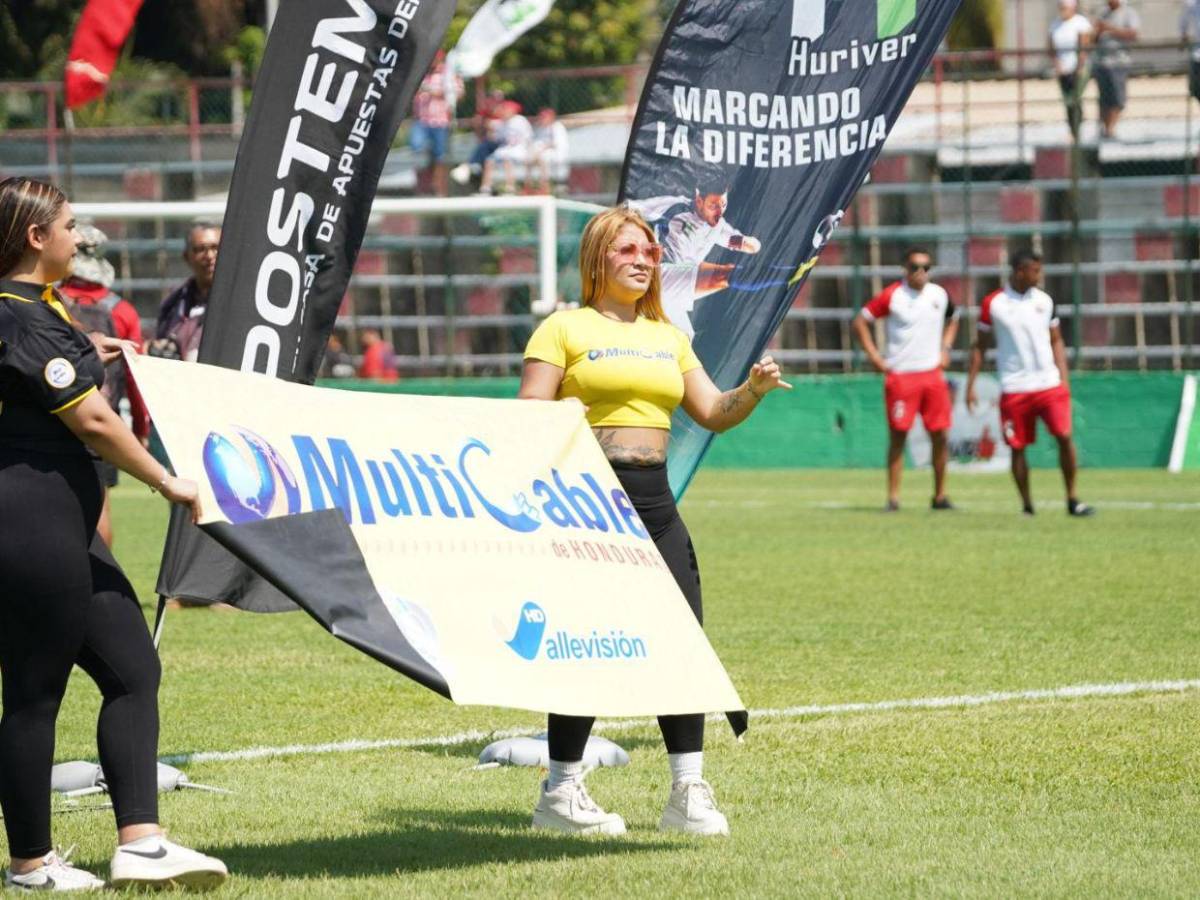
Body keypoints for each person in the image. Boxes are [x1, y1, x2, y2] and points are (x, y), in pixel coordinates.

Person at [519, 205, 791, 837]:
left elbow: (714, 411)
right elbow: (528, 412)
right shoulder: (562, 329)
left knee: (681, 640)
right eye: (627, 250)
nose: (642, 260)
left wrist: (752, 390)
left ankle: (687, 793)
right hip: (588, 507)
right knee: (585, 644)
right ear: (598, 259)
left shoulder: (668, 337)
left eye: (649, 252)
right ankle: (560, 793)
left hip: (657, 505)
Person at [0, 176, 229, 890]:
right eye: (69, 226)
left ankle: (142, 844)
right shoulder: (15, 313)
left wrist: (89, 348)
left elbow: (47, 371)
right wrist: (168, 480)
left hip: (63, 522)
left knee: (132, 668)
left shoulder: (41, 305)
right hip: (28, 518)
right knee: (34, 692)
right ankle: (31, 864)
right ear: (36, 236)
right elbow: (94, 420)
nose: (78, 238)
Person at [966, 249, 1094, 517]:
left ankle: (1073, 499)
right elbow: (980, 346)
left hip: (1049, 384)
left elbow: (1056, 340)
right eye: (1035, 271)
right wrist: (971, 384)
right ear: (1019, 271)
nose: (1039, 275)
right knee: (1017, 447)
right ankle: (1026, 505)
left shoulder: (1045, 301)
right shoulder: (994, 303)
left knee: (1064, 437)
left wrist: (1063, 379)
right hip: (1014, 387)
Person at [57, 222, 150, 547]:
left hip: (58, 418)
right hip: (104, 421)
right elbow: (136, 379)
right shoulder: (122, 311)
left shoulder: (50, 303)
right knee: (100, 507)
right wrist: (140, 428)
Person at [852, 247, 959, 512]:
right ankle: (893, 498)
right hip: (901, 376)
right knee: (898, 436)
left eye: (926, 268)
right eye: (914, 267)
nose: (920, 272)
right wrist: (875, 358)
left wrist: (945, 348)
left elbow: (954, 318)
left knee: (940, 435)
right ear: (905, 269)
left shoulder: (939, 294)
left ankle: (940, 496)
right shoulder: (893, 295)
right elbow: (861, 321)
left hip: (932, 374)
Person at [629, 178, 762, 339]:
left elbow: (748, 244)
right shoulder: (676, 206)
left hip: (675, 288)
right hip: (661, 274)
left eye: (723, 205)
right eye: (713, 206)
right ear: (699, 201)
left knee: (684, 336)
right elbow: (629, 208)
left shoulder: (718, 227)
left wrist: (750, 243)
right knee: (723, 276)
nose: (719, 212)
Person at [152, 221, 219, 362]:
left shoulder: (240, 301)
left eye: (216, 248)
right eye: (200, 249)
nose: (209, 256)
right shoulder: (173, 303)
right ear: (186, 257)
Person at [410, 51, 463, 197]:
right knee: (417, 149)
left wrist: (436, 92)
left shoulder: (448, 75)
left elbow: (458, 94)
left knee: (441, 156)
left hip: (441, 121)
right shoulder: (421, 73)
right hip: (421, 120)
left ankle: (439, 188)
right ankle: (421, 188)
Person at [1092, 0, 1140, 139]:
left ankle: (1111, 129)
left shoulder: (1128, 13)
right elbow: (1094, 39)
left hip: (1119, 62)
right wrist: (1096, 32)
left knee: (1117, 98)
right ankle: (1104, 129)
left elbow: (1133, 34)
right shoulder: (1103, 13)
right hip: (1102, 62)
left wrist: (1110, 29)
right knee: (1104, 98)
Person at [1048, 0, 1093, 140]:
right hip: (1063, 68)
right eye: (1061, 7)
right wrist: (1057, 65)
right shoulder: (1055, 24)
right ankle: (1073, 131)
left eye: (1065, 8)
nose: (1062, 10)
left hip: (1078, 67)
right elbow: (1051, 48)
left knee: (1075, 98)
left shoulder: (1080, 22)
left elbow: (1084, 48)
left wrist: (1079, 67)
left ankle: (1077, 129)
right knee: (1067, 101)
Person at [478, 101, 532, 196]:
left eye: (506, 109)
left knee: (507, 159)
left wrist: (525, 147)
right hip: (505, 149)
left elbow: (528, 136)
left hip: (519, 149)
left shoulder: (520, 120)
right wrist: (491, 132)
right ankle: (486, 188)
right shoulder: (501, 123)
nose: (504, 111)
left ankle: (510, 188)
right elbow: (497, 138)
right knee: (489, 160)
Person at [527, 107, 569, 195]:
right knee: (529, 157)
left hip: (556, 152)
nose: (542, 119)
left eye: (545, 117)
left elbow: (556, 143)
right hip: (542, 152)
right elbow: (535, 142)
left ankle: (544, 186)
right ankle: (528, 185)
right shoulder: (540, 128)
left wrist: (541, 149)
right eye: (541, 117)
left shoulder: (557, 127)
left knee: (543, 157)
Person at [1181, 0, 1200, 104]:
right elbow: (1183, 22)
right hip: (1197, 53)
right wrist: (1184, 35)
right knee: (1195, 89)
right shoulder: (1191, 5)